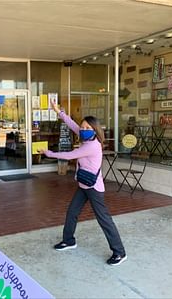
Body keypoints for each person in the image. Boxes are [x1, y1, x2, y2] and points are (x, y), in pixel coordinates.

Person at [38, 100, 127, 266]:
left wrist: (48, 153)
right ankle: (69, 240)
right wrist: (59, 112)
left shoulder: (92, 145)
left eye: (88, 128)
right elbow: (72, 124)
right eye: (83, 127)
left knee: (104, 219)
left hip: (93, 188)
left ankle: (119, 252)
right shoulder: (85, 137)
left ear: (95, 130)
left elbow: (69, 155)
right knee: (72, 212)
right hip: (83, 185)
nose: (84, 130)